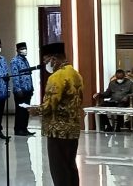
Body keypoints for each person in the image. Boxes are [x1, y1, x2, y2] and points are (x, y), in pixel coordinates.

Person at [29, 42, 83, 186]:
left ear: (53, 59)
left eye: (46, 60)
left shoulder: (56, 77)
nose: (45, 64)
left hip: (57, 130)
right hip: (73, 128)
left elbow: (49, 105)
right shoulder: (75, 74)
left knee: (59, 168)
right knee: (70, 165)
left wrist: (35, 110)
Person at [10, 42, 35, 136]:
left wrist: (31, 87)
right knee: (20, 110)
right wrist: (18, 89)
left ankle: (24, 128)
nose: (24, 50)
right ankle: (18, 129)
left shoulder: (25, 60)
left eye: (25, 48)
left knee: (26, 110)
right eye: (22, 49)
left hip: (28, 89)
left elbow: (28, 75)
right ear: (17, 50)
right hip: (20, 90)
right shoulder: (15, 61)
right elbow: (15, 76)